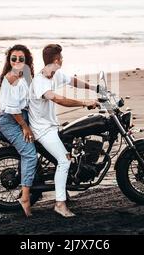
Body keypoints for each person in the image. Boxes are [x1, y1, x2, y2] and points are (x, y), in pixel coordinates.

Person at [28, 44, 98, 217]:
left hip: (52, 125)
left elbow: (72, 81)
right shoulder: (40, 81)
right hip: (42, 129)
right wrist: (84, 102)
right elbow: (58, 99)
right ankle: (60, 204)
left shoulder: (55, 73)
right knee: (65, 160)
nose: (63, 59)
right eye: (61, 57)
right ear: (57, 60)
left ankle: (64, 188)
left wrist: (94, 88)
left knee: (72, 145)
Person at [0, 44, 37, 217]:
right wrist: (25, 127)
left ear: (26, 60)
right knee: (29, 153)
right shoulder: (12, 78)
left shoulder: (25, 74)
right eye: (14, 58)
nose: (17, 61)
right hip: (12, 120)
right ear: (9, 60)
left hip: (24, 117)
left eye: (21, 58)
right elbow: (13, 109)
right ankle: (25, 197)